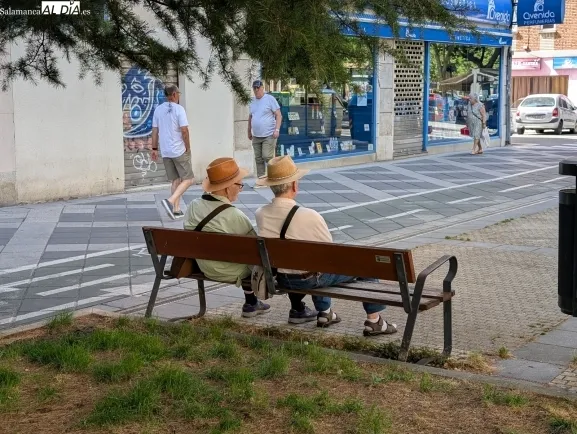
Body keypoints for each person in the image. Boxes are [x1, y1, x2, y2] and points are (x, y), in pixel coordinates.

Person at [255, 156, 397, 336]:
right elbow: (330, 254)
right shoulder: (309, 215)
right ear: (294, 186)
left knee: (316, 264)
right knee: (366, 267)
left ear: (271, 187)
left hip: (282, 279)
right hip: (308, 279)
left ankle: (325, 313)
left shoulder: (261, 214)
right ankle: (374, 321)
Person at [183, 157, 270, 318]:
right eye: (239, 185)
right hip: (227, 270)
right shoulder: (234, 215)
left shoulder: (193, 205)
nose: (240, 189)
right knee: (255, 259)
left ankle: (251, 302)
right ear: (227, 188)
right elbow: (257, 250)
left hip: (204, 266)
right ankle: (255, 302)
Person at [151, 84, 194, 219]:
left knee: (175, 180)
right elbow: (184, 130)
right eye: (178, 94)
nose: (179, 96)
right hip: (179, 150)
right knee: (189, 179)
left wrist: (154, 149)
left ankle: (176, 209)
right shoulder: (179, 109)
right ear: (174, 94)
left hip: (166, 151)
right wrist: (187, 147)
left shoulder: (158, 110)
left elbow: (155, 131)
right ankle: (170, 201)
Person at [248, 80, 282, 185]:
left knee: (267, 156)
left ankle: (275, 177)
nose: (256, 90)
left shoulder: (269, 99)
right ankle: (261, 180)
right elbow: (250, 117)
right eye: (254, 88)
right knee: (258, 158)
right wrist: (249, 131)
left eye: (258, 88)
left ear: (262, 88)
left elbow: (278, 115)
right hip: (256, 135)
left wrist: (277, 129)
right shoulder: (252, 101)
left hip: (269, 134)